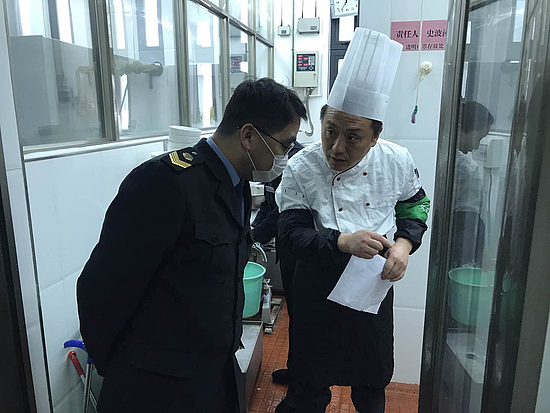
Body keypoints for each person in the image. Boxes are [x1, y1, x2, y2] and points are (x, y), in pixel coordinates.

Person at [77, 77, 307, 413]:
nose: (285, 156)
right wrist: (123, 371)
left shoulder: (237, 185)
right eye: (284, 146)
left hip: (212, 376)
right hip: (156, 388)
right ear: (248, 136)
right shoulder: (165, 183)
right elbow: (101, 288)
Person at [274, 29, 430, 413]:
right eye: (330, 131)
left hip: (372, 288)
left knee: (371, 382)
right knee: (308, 387)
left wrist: (404, 247)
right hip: (316, 286)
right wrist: (342, 242)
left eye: (353, 136)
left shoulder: (396, 161)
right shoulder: (301, 167)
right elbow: (291, 235)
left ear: (376, 136)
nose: (337, 148)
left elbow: (415, 205)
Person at [250, 140, 304, 386]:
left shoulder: (297, 161)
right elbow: (268, 204)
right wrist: (252, 230)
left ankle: (304, 378)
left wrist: (253, 237)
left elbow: (280, 211)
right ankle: (297, 370)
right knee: (296, 313)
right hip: (287, 250)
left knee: (304, 316)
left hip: (302, 253)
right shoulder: (272, 159)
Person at [450, 100, 494, 269]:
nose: (476, 146)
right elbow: (468, 219)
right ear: (461, 128)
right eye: (478, 138)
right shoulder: (467, 168)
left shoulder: (447, 160)